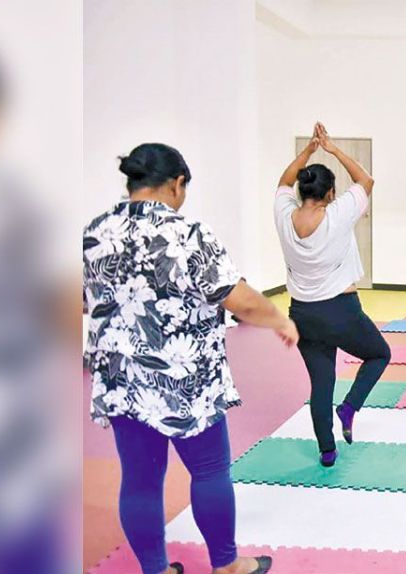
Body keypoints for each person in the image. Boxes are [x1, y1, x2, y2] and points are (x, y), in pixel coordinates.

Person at [83, 143, 295, 574]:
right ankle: (226, 565)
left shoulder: (95, 232)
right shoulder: (187, 234)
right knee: (210, 470)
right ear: (177, 184)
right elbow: (240, 299)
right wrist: (279, 318)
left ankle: (156, 569)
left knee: (140, 481)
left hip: (122, 379)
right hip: (186, 380)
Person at [274, 122, 390, 468]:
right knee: (379, 354)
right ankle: (350, 407)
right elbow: (366, 180)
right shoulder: (337, 215)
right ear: (329, 193)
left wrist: (308, 151)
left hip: (302, 315)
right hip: (340, 311)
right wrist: (333, 148)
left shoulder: (284, 215)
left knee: (321, 383)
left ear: (301, 190)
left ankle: (327, 451)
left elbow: (283, 182)